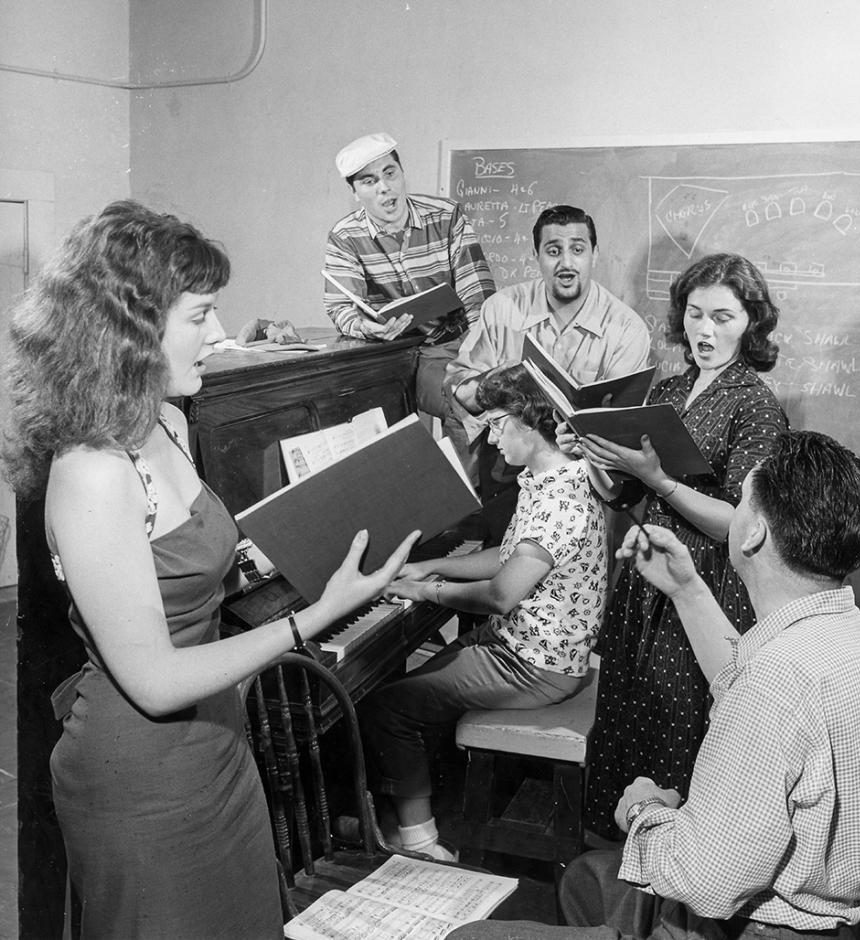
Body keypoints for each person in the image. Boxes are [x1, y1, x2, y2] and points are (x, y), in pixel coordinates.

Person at [0, 200, 419, 939]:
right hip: (139, 772)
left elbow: (184, 560)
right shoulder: (92, 471)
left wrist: (307, 540)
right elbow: (156, 681)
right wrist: (317, 614)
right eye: (200, 316)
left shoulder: (168, 419)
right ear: (131, 330)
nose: (219, 336)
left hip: (218, 742)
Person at [448, 429, 860, 939]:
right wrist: (686, 588)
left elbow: (704, 879)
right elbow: (747, 678)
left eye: (739, 504)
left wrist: (643, 810)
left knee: (468, 936)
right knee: (586, 878)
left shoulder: (777, 685)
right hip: (839, 919)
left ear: (753, 533)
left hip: (747, 926)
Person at [575, 252, 789, 841]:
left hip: (707, 591)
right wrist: (607, 470)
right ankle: (615, 862)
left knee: (680, 726)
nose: (704, 330)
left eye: (723, 317)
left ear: (752, 323)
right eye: (695, 314)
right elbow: (635, 502)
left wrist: (657, 479)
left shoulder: (755, 404)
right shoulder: (669, 390)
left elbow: (736, 526)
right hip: (648, 576)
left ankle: (672, 878)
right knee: (624, 715)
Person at [361, 363, 608, 860]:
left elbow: (500, 594)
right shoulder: (551, 476)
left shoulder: (561, 497)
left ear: (530, 420)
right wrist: (426, 564)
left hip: (533, 665)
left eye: (496, 423)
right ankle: (410, 803)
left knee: (387, 707)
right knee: (404, 690)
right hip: (518, 646)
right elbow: (506, 556)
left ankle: (422, 843)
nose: (490, 439)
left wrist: (426, 590)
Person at [445, 204, 651, 538]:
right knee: (502, 564)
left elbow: (620, 433)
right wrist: (497, 381)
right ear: (536, 255)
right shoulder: (501, 308)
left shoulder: (627, 328)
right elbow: (459, 391)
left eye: (578, 250)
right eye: (553, 251)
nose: (566, 263)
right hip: (507, 467)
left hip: (584, 478)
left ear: (594, 255)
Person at [324, 132, 495, 472]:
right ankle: (458, 506)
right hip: (394, 356)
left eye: (390, 173)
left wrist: (478, 358)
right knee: (458, 402)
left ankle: (477, 503)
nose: (385, 188)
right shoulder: (345, 237)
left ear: (402, 174)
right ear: (355, 192)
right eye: (370, 181)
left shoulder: (447, 216)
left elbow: (478, 296)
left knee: (481, 395)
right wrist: (366, 326)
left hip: (455, 344)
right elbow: (340, 307)